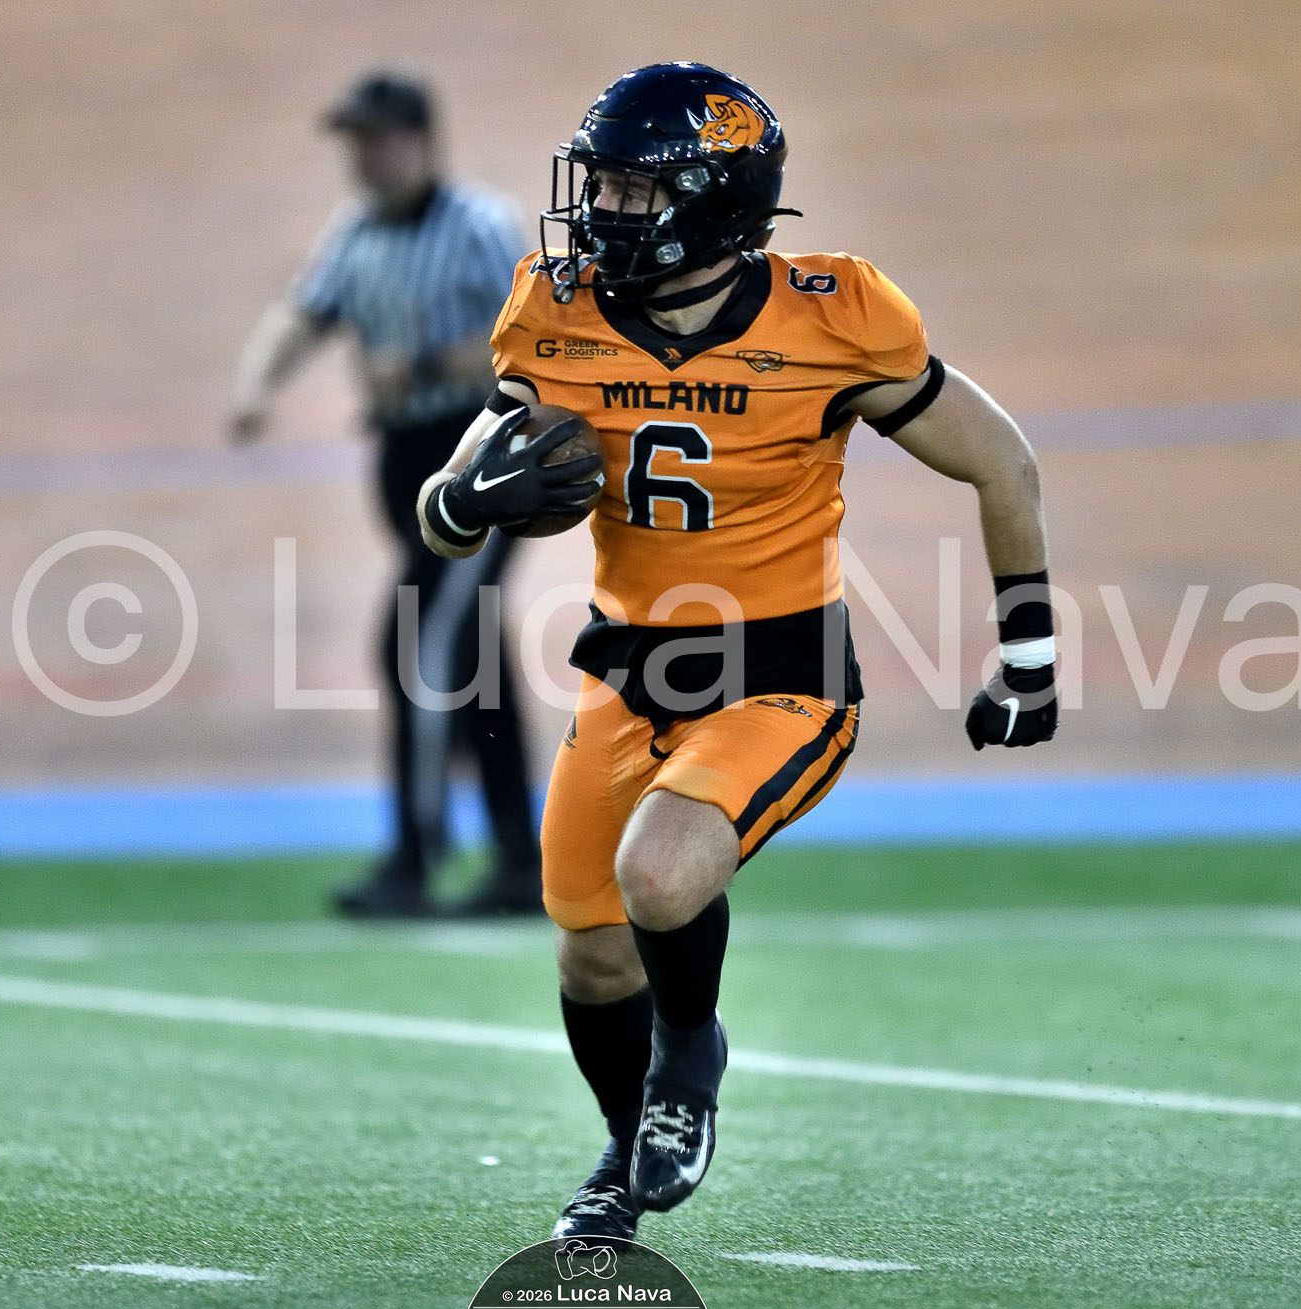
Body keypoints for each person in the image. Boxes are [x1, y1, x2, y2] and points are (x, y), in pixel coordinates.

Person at [414, 63, 1059, 1244]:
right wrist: (462, 502)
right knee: (590, 955)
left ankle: (688, 1055)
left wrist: (1029, 654)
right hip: (628, 669)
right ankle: (623, 1153)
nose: (597, 210)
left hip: (780, 670)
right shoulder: (553, 310)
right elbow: (445, 502)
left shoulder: (834, 314)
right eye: (596, 183)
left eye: (628, 188)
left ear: (710, 200)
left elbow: (998, 460)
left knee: (660, 874)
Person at [228, 71, 544, 918]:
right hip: (406, 459)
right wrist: (257, 384)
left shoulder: (479, 224)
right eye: (355, 141)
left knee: (413, 645)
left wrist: (429, 364)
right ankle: (521, 860)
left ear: (418, 139)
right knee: (470, 661)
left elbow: (536, 338)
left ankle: (415, 855)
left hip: (477, 462)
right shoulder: (356, 231)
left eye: (375, 139)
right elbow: (306, 311)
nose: (362, 157)